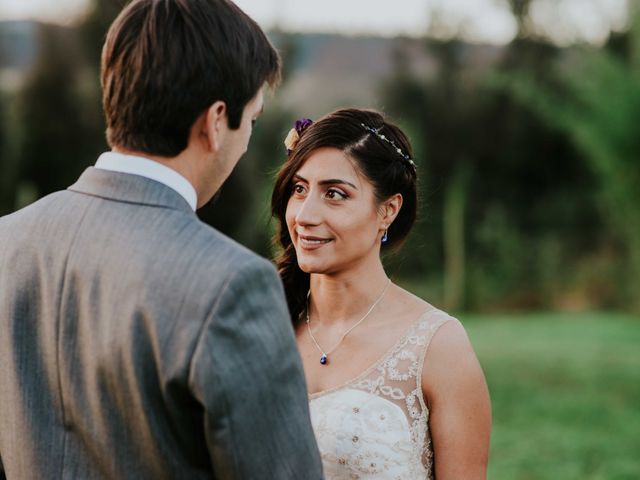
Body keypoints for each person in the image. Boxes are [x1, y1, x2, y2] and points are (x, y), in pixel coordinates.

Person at [0, 1, 323, 478]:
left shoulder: (9, 240)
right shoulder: (231, 285)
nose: (248, 140)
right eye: (250, 120)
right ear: (215, 122)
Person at [271, 108, 491, 479]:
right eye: (299, 189)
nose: (305, 215)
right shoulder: (263, 323)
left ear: (387, 210)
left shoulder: (438, 347)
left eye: (335, 194)